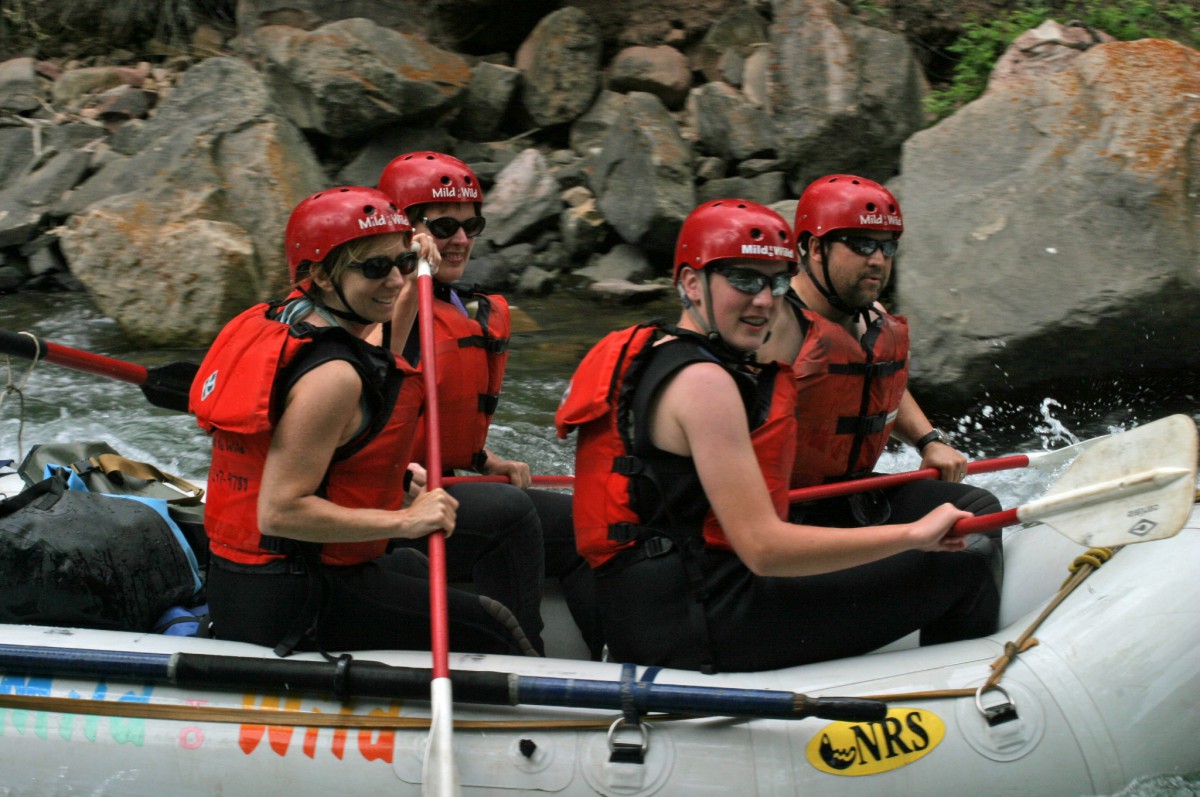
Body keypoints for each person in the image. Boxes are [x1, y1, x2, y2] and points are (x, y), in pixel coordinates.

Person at [555, 198, 999, 673]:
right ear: (691, 284)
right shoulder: (706, 384)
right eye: (744, 280)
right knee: (964, 568)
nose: (764, 299)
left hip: (660, 607)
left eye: (777, 281)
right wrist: (911, 536)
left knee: (961, 545)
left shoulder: (659, 352)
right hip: (702, 621)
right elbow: (763, 549)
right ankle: (957, 708)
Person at [191, 186, 534, 657]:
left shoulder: (283, 320)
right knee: (492, 625)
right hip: (291, 599)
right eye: (375, 268)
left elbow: (385, 367)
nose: (395, 280)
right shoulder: (331, 377)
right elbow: (279, 511)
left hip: (261, 579)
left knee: (412, 566)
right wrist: (404, 519)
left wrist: (412, 262)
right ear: (323, 277)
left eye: (403, 263)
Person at [378, 151, 603, 659]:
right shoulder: (380, 305)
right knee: (508, 512)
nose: (460, 240)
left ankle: (618, 658)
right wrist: (407, 265)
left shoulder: (465, 306)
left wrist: (483, 460)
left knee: (590, 521)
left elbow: (438, 410)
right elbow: (380, 382)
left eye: (470, 225)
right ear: (404, 231)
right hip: (387, 505)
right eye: (442, 227)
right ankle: (523, 662)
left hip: (446, 485)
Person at [757, 175, 1001, 584]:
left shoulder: (869, 314)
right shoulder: (772, 327)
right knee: (963, 560)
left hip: (849, 498)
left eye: (887, 246)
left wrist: (930, 440)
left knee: (976, 510)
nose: (878, 259)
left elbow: (878, 382)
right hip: (787, 516)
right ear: (816, 248)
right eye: (862, 244)